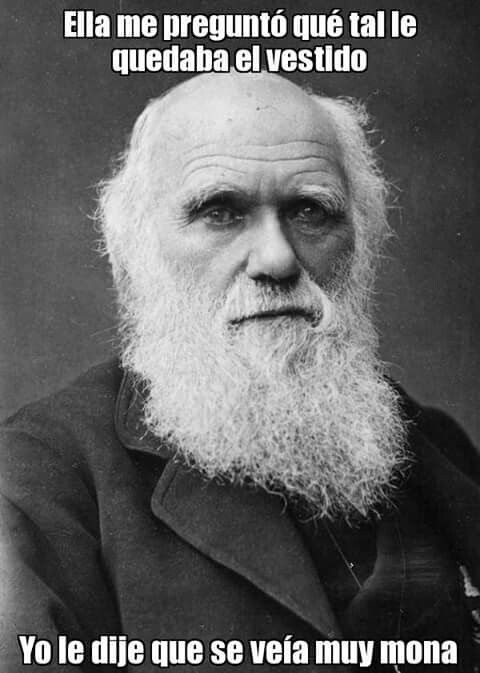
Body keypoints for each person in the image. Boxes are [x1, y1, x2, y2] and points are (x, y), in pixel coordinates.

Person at [1, 72, 479, 672]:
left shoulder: (437, 449)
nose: (277, 259)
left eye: (311, 210)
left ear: (361, 239)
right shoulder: (32, 479)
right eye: (220, 212)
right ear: (132, 254)